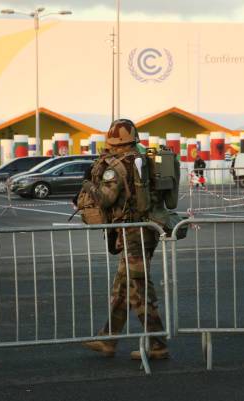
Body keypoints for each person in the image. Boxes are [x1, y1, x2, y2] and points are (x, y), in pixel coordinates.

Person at [80, 119, 169, 360]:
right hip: (145, 230)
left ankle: (158, 344)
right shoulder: (142, 161)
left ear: (113, 141)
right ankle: (108, 339)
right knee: (122, 288)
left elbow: (106, 199)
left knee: (137, 290)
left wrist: (89, 184)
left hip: (133, 235)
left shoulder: (116, 167)